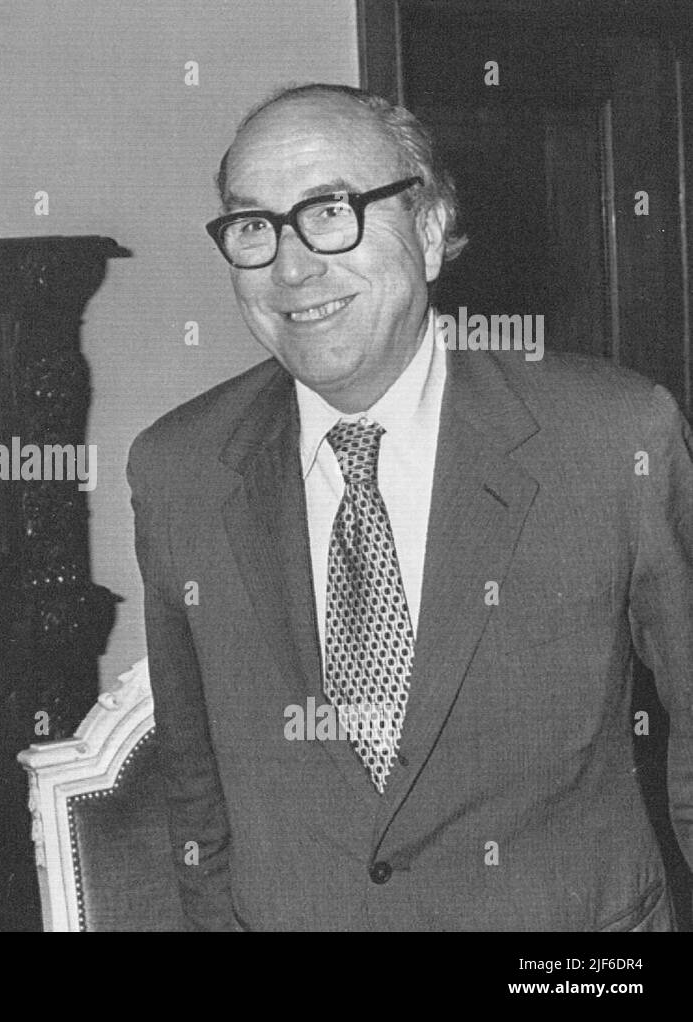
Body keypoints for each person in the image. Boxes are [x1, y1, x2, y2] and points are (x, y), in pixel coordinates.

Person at [127, 83, 693, 930]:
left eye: (330, 212)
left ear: (429, 232)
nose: (291, 268)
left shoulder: (613, 440)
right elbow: (195, 797)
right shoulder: (179, 472)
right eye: (254, 227)